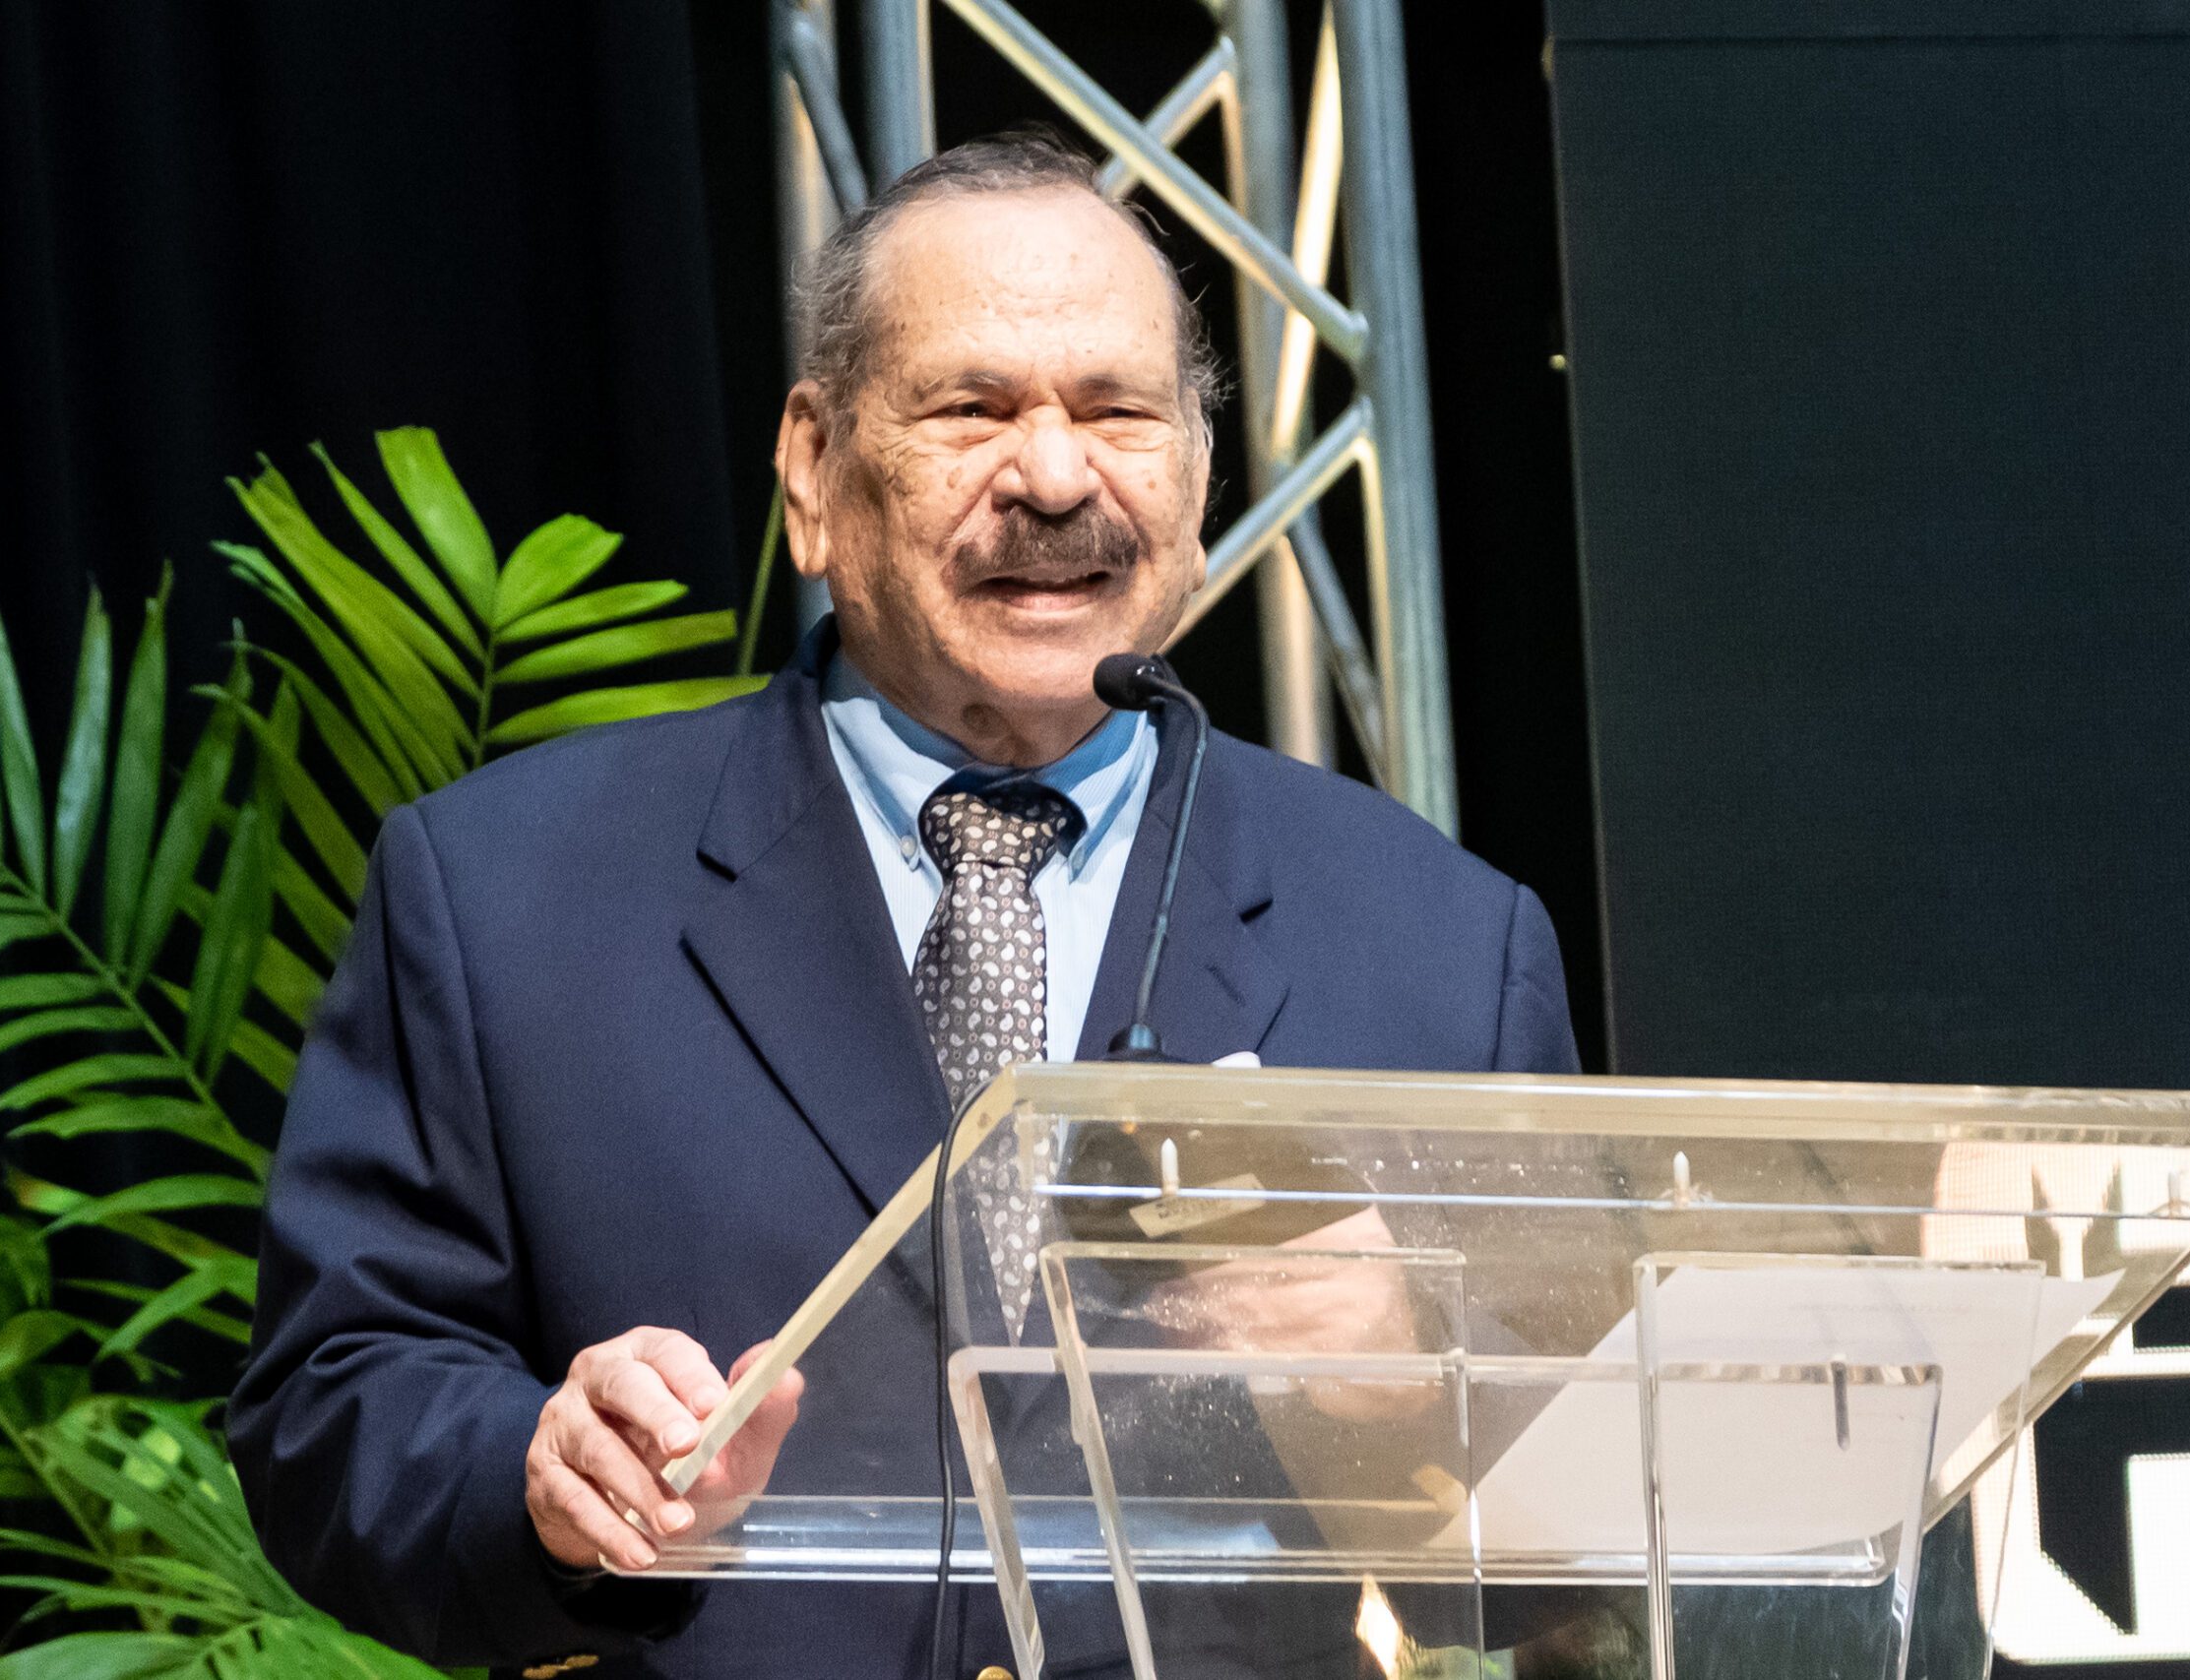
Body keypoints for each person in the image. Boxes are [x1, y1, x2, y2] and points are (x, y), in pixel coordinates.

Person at [229, 132, 1580, 1679]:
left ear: (1200, 483)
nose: (1056, 478)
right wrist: (540, 1470)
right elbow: (331, 1407)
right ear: (813, 469)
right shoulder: (506, 893)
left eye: (1119, 413)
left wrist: (1405, 1383)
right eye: (973, 409)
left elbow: (1581, 1555)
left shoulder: (1442, 944)